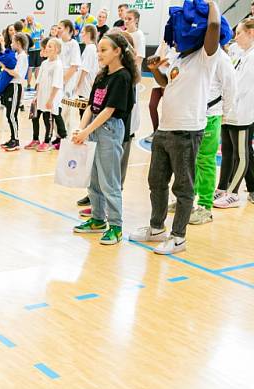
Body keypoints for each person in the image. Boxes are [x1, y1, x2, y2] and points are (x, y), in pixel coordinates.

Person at [130, 0, 221, 255]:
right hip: (165, 128)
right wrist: (155, 70)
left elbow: (213, 24)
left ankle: (179, 237)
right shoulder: (178, 56)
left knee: (183, 187)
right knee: (156, 181)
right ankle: (156, 227)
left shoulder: (206, 57)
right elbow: (165, 83)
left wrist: (211, 2)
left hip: (188, 130)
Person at [72, 32, 138, 245]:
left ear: (117, 51)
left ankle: (116, 226)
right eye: (98, 49)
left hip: (109, 131)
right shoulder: (102, 76)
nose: (99, 54)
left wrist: (87, 130)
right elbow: (92, 106)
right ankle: (98, 219)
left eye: (104, 50)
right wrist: (81, 129)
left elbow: (108, 110)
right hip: (93, 129)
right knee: (94, 179)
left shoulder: (123, 77)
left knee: (110, 181)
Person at [184, 43, 234, 221]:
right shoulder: (197, 53)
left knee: (205, 160)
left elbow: (230, 87)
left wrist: (225, 114)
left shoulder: (221, 58)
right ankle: (188, 201)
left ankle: (205, 206)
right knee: (190, 159)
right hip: (193, 115)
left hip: (211, 115)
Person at [215, 20, 254, 208]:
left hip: (242, 114)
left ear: (251, 33)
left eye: (239, 33)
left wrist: (228, 107)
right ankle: (223, 188)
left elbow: (243, 88)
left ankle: (233, 193)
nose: (235, 37)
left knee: (242, 154)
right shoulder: (242, 54)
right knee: (228, 151)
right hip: (230, 111)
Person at [0, 33, 28, 151]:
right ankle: (12, 138)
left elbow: (17, 73)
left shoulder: (23, 56)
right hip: (10, 86)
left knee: (12, 114)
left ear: (19, 43)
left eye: (13, 41)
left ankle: (16, 140)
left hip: (15, 86)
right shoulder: (16, 55)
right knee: (8, 114)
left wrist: (4, 68)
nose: (11, 44)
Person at [23, 15, 44, 89]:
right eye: (28, 20)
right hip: (30, 50)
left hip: (38, 49)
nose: (29, 21)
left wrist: (43, 47)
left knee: (38, 68)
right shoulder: (25, 28)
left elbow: (42, 36)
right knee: (30, 68)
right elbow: (25, 40)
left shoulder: (39, 26)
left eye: (30, 19)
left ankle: (36, 84)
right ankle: (28, 84)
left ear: (33, 19)